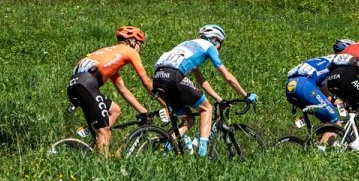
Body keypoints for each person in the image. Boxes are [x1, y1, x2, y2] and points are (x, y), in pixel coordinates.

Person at [152, 25, 256, 157]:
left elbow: (201, 80)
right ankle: (202, 155)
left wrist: (218, 98)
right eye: (220, 44)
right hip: (174, 75)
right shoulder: (209, 46)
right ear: (214, 39)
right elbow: (227, 77)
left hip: (158, 77)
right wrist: (246, 94)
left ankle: (164, 152)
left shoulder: (188, 45)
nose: (219, 48)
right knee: (206, 108)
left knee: (189, 119)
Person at [66, 26, 158, 155]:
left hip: (75, 86)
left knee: (114, 110)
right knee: (103, 132)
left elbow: (122, 89)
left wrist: (143, 111)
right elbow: (147, 82)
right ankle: (103, 168)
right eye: (140, 44)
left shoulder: (110, 55)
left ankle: (95, 146)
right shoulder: (129, 51)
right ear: (132, 41)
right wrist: (166, 104)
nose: (140, 48)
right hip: (86, 85)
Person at [285, 39, 354, 141]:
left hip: (291, 86)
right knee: (334, 124)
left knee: (326, 122)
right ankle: (321, 154)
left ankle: (315, 147)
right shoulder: (338, 63)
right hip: (305, 84)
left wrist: (341, 105)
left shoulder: (324, 60)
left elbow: (326, 96)